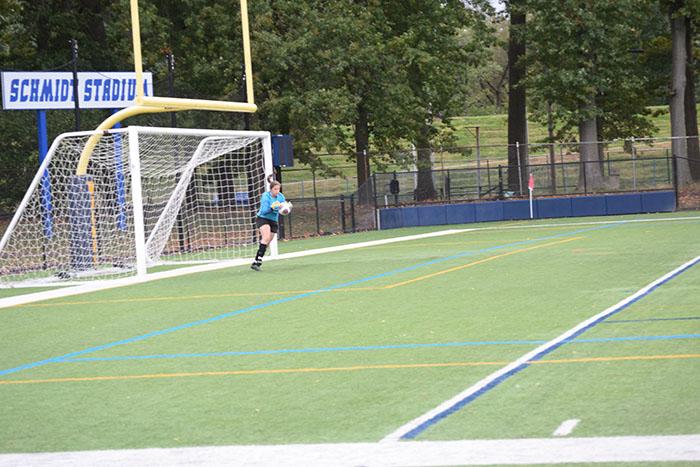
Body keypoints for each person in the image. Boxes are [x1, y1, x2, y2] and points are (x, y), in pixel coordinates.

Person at [251, 176, 286, 271]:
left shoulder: (281, 196)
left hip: (274, 220)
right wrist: (272, 207)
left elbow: (284, 209)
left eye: (278, 189)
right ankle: (258, 262)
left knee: (266, 243)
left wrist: (286, 209)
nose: (277, 191)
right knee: (265, 238)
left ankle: (255, 262)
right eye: (275, 189)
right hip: (263, 218)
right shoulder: (265, 196)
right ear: (271, 189)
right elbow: (264, 211)